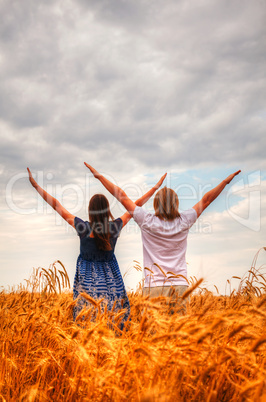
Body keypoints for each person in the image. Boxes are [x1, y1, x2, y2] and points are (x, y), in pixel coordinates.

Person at [84, 163, 241, 313]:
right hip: (179, 286)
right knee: (179, 335)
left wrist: (99, 177)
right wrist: (224, 182)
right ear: (176, 203)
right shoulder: (185, 220)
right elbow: (206, 200)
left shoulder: (146, 220)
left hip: (153, 286)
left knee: (153, 334)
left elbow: (122, 196)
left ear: (156, 204)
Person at [27, 167, 166, 327]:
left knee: (87, 320)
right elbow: (135, 207)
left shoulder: (83, 228)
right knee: (113, 318)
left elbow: (57, 206)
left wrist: (36, 186)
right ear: (107, 210)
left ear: (90, 211)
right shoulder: (114, 227)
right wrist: (155, 187)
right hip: (111, 279)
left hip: (87, 280)